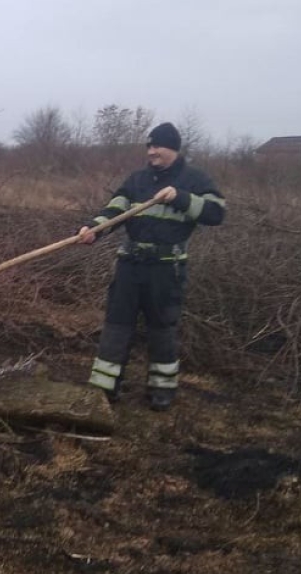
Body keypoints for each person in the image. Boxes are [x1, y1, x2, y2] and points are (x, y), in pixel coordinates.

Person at [76, 122, 225, 411]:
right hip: (130, 265)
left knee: (162, 329)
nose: (152, 151)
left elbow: (216, 213)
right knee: (116, 326)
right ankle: (103, 390)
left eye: (157, 146)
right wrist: (94, 228)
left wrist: (180, 198)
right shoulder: (137, 180)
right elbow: (115, 210)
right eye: (149, 146)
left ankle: (162, 391)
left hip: (166, 270)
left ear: (173, 148)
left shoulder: (194, 179)